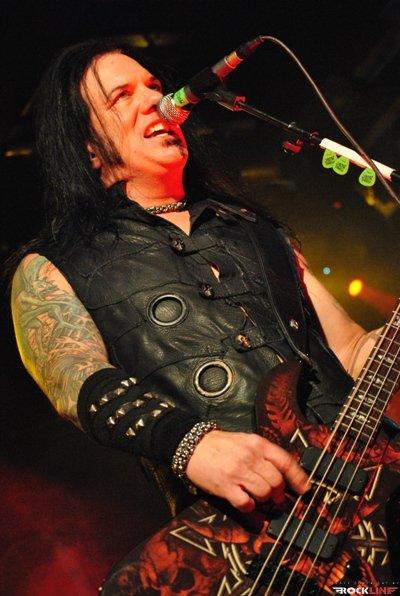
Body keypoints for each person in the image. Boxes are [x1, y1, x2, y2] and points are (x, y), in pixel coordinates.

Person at [11, 38, 380, 517]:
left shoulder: (258, 230)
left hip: (368, 481)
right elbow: (75, 381)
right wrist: (192, 443)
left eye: (154, 86)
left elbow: (350, 349)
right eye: (122, 96)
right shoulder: (53, 265)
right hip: (250, 526)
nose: (156, 99)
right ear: (87, 148)